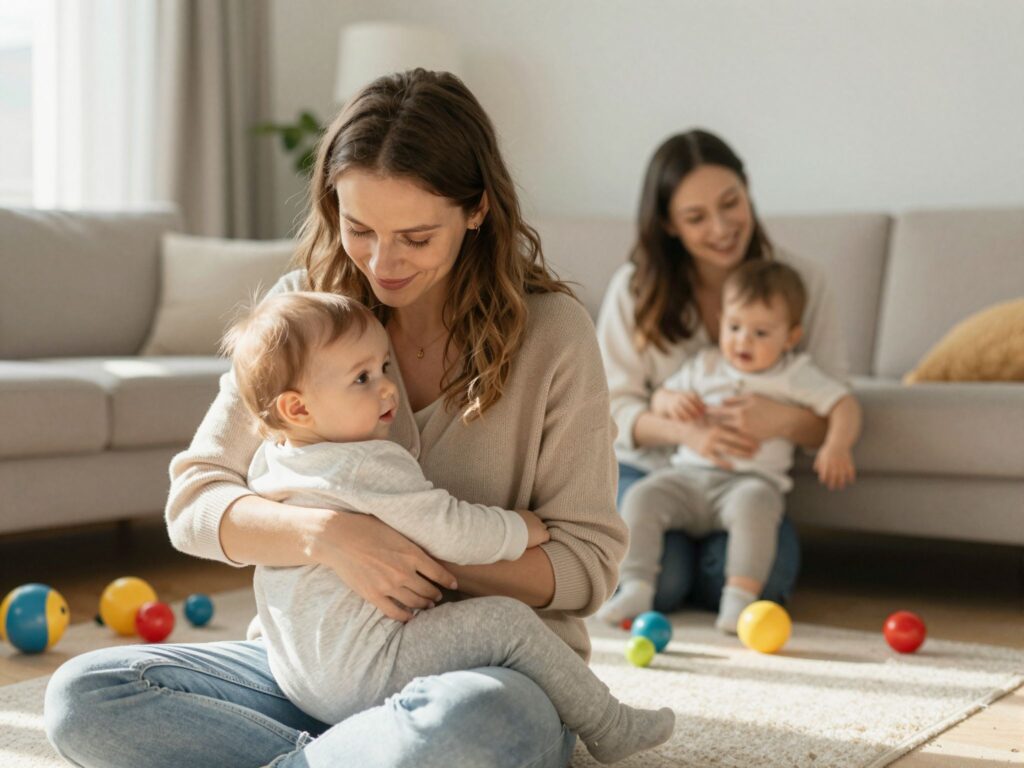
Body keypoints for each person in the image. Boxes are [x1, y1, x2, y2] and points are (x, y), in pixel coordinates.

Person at [44, 69, 628, 768]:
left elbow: (585, 565)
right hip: (310, 673)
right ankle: (356, 755)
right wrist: (327, 536)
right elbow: (195, 500)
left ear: (477, 211)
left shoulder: (554, 333)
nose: (384, 261)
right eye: (359, 229)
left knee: (485, 724)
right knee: (87, 695)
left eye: (415, 235)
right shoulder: (300, 315)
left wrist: (410, 551)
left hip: (482, 673)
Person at [223, 291, 673, 763]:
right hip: (366, 669)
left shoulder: (271, 460)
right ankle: (610, 725)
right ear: (297, 409)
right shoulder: (366, 464)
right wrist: (521, 529)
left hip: (296, 673)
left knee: (473, 716)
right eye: (362, 378)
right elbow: (450, 528)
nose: (386, 388)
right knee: (507, 623)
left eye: (384, 368)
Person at [596, 129, 849, 616]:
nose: (721, 227)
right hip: (651, 471)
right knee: (662, 584)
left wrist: (780, 420)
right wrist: (683, 431)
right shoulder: (635, 289)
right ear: (669, 225)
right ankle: (671, 560)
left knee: (759, 586)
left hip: (743, 481)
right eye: (695, 217)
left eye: (731, 203)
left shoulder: (803, 284)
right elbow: (609, 408)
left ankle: (698, 557)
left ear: (748, 190)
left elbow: (832, 404)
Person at [597, 260, 861, 631]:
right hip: (687, 478)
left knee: (758, 506)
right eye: (734, 327)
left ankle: (739, 600)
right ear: (721, 322)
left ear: (790, 337)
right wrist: (668, 403)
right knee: (642, 497)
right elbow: (659, 396)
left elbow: (844, 404)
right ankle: (637, 587)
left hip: (746, 484)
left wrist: (837, 445)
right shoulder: (706, 364)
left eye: (761, 333)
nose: (743, 341)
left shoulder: (793, 374)